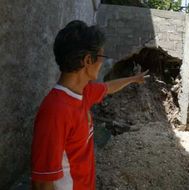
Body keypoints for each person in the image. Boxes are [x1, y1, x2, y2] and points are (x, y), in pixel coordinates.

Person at [31, 20, 148, 190]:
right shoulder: (55, 111)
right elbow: (42, 183)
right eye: (101, 57)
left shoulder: (83, 92)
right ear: (88, 60)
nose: (102, 63)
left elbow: (109, 87)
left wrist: (133, 79)